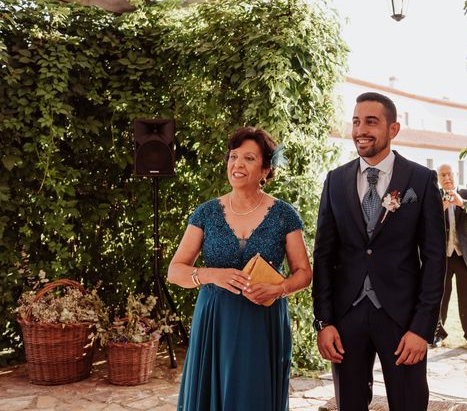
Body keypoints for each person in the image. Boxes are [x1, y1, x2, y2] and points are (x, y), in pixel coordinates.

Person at [312, 92, 446, 411]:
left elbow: (434, 258)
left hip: (402, 320)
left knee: (409, 404)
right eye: (356, 121)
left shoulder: (420, 179)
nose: (361, 130)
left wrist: (421, 328)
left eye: (371, 122)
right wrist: (324, 322)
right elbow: (323, 256)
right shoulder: (335, 180)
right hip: (347, 318)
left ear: (393, 129)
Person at [168, 127, 312, 411]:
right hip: (215, 321)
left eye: (248, 158)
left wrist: (279, 288)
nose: (237, 164)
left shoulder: (285, 215)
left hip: (263, 322)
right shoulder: (206, 213)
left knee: (254, 396)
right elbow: (175, 271)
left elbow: (304, 273)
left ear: (266, 169)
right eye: (233, 157)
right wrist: (210, 274)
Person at [433, 163, 467, 351]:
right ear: (438, 179)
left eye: (449, 174)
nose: (447, 178)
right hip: (443, 256)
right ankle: (437, 334)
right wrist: (438, 210)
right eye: (442, 175)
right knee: (439, 296)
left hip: (465, 255)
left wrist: (461, 203)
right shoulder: (433, 197)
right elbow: (426, 224)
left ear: (456, 175)